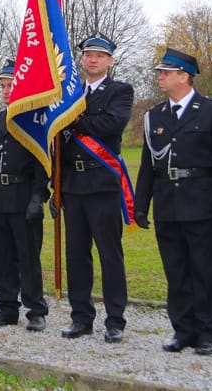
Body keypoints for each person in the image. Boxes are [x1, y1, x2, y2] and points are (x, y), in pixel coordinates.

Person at [134, 47, 212, 356]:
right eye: (160, 73)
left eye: (166, 72)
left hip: (201, 202)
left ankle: (209, 331)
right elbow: (147, 164)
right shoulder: (154, 116)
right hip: (168, 204)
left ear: (184, 76)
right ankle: (183, 329)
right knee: (176, 270)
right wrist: (142, 204)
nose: (160, 77)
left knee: (206, 269)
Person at [59, 33, 134, 343]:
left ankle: (115, 319)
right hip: (73, 184)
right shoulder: (69, 92)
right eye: (88, 54)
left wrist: (75, 121)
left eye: (99, 55)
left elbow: (111, 125)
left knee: (109, 255)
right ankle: (81, 317)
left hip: (102, 183)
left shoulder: (120, 91)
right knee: (77, 256)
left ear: (110, 60)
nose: (92, 59)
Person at [0, 60, 50, 331]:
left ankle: (36, 310)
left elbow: (42, 161)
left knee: (28, 257)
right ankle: (7, 308)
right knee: (3, 257)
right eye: (4, 86)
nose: (7, 90)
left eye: (11, 85)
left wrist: (38, 196)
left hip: (24, 195)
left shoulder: (33, 120)